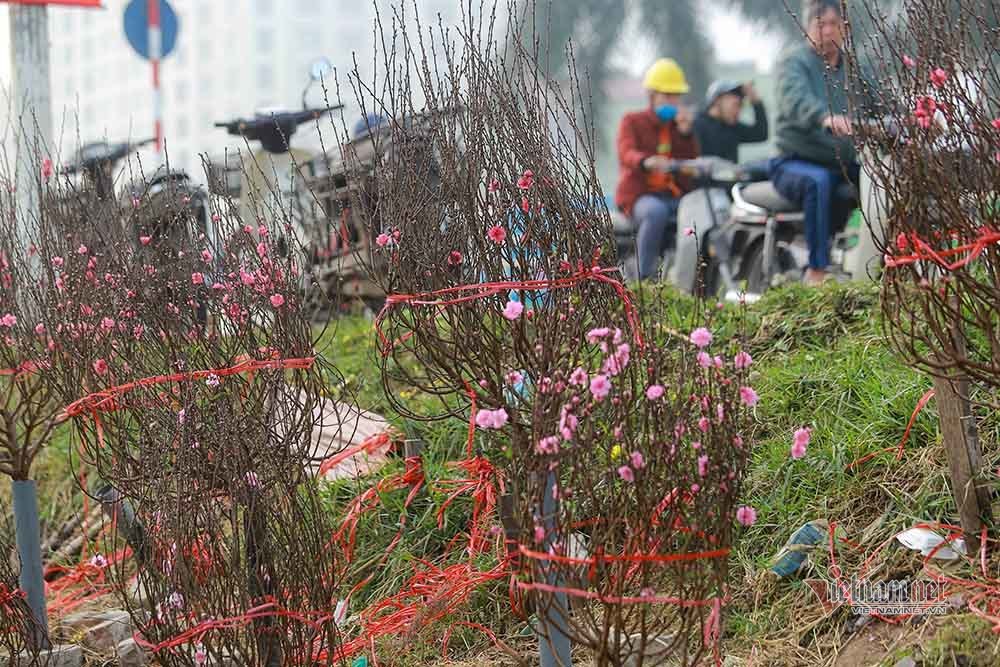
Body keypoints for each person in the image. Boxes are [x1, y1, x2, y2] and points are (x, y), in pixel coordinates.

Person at [771, 0, 865, 285]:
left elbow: (878, 101)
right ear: (807, 28)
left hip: (841, 164)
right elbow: (795, 99)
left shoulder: (853, 68)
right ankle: (817, 269)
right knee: (817, 181)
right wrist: (824, 117)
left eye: (835, 24)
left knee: (880, 181)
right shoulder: (794, 63)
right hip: (794, 162)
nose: (828, 30)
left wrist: (910, 119)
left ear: (845, 29)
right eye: (820, 24)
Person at [615, 58, 700, 281]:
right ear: (652, 95)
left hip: (671, 194)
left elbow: (689, 161)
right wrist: (645, 161)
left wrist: (685, 134)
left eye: (676, 96)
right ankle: (644, 277)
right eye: (667, 95)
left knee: (698, 208)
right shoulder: (632, 121)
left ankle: (691, 276)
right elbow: (626, 152)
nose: (673, 101)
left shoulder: (677, 126)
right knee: (655, 212)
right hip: (640, 196)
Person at [694, 80, 769, 163]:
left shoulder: (732, 127)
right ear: (717, 100)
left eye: (740, 106)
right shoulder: (697, 126)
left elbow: (761, 134)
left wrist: (756, 101)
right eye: (735, 105)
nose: (738, 111)